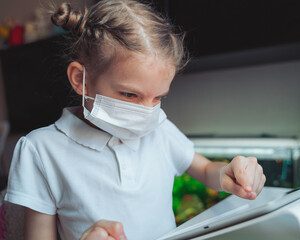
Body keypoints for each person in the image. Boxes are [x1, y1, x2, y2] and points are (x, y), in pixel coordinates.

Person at [4, 0, 266, 239]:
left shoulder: (160, 130)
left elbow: (208, 171)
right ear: (79, 80)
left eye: (157, 98)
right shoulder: (41, 151)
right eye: (130, 94)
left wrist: (230, 173)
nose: (146, 112)